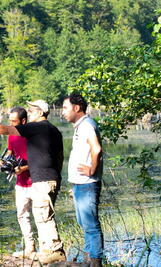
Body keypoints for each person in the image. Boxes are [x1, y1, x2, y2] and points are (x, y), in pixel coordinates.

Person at [0, 100, 66, 264]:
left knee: (43, 217)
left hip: (42, 179)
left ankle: (54, 251)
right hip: (50, 177)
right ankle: (46, 251)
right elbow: (60, 156)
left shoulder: (37, 127)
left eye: (32, 110)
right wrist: (57, 175)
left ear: (41, 112)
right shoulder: (54, 130)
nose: (30, 112)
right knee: (42, 215)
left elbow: (5, 130)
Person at [61, 93, 104, 267]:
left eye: (65, 108)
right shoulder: (81, 126)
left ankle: (94, 262)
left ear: (76, 108)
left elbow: (97, 149)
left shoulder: (87, 125)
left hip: (87, 184)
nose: (63, 112)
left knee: (91, 225)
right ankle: (89, 258)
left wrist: (92, 169)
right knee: (85, 223)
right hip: (80, 184)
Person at [4, 107, 35, 257]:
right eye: (9, 121)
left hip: (36, 182)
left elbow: (40, 160)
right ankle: (30, 248)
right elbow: (10, 152)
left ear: (23, 121)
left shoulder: (32, 136)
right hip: (20, 183)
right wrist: (3, 161)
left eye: (14, 121)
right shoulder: (11, 134)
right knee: (22, 215)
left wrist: (23, 168)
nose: (11, 124)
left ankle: (47, 249)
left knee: (42, 216)